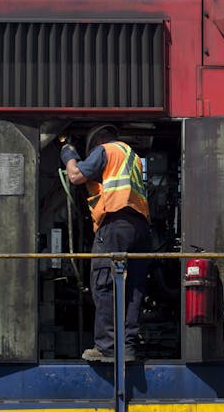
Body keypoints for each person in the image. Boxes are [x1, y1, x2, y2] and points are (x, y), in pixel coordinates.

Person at [60, 124, 150, 363]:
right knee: (133, 289)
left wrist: (69, 156)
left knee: (105, 283)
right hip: (140, 227)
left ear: (98, 140)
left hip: (115, 224)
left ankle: (107, 347)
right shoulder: (132, 157)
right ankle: (128, 347)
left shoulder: (105, 150)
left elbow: (76, 176)